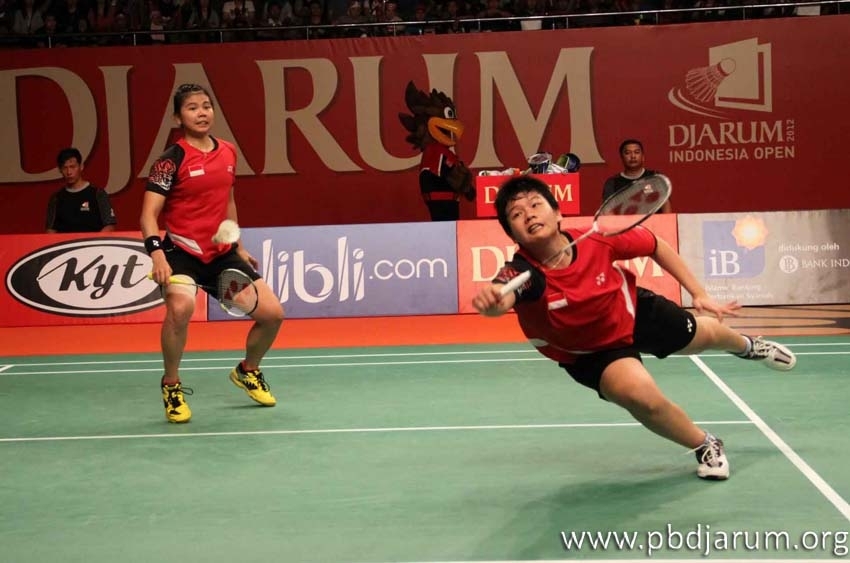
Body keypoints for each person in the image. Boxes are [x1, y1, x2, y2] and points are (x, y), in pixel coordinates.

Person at [472, 175, 796, 480]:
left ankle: (748, 346)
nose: (528, 214)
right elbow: (505, 292)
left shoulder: (597, 239)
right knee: (642, 399)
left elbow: (656, 245)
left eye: (535, 205)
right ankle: (705, 443)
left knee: (705, 334)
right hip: (589, 352)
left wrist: (698, 293)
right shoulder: (523, 272)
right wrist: (493, 302)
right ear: (512, 235)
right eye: (516, 214)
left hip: (632, 311)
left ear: (558, 213)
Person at [141, 83, 285, 423]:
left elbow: (228, 200)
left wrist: (238, 244)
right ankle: (171, 385)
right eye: (192, 107)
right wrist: (157, 254)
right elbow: (148, 215)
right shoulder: (169, 161)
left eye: (206, 106)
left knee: (272, 315)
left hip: (221, 255)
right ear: (178, 117)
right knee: (181, 309)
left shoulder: (228, 152)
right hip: (181, 252)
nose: (202, 112)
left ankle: (248, 370)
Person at [46, 148, 117, 233]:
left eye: (72, 167)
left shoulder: (98, 194)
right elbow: (50, 230)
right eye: (65, 168)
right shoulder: (56, 198)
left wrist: (94, 241)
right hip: (66, 242)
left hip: (93, 241)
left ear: (81, 166)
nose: (69, 172)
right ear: (60, 170)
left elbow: (109, 226)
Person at [602, 139, 673, 213]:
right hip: (624, 221)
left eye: (636, 152)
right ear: (622, 157)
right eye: (627, 153)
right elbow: (607, 210)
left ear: (643, 157)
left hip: (655, 220)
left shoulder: (655, 177)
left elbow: (666, 205)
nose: (633, 156)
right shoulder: (612, 182)